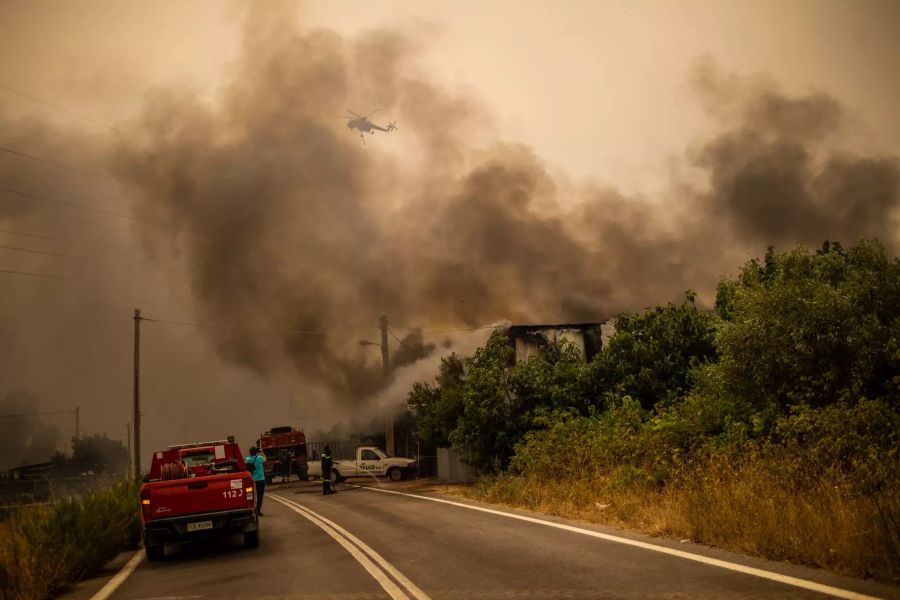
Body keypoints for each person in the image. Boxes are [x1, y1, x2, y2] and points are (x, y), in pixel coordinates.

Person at [245, 446, 266, 515]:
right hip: (260, 480)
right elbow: (265, 459)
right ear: (256, 452)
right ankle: (258, 510)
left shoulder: (247, 459)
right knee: (260, 496)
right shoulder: (260, 458)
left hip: (252, 480)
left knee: (251, 496)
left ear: (249, 452)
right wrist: (262, 451)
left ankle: (252, 510)